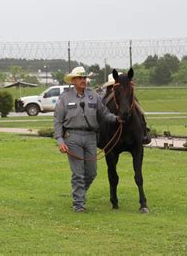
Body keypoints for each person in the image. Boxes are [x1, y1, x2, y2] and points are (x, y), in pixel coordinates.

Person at [54, 66, 123, 212]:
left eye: (84, 78)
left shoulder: (94, 96)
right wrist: (60, 141)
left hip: (91, 137)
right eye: (80, 78)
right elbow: (58, 121)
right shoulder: (65, 98)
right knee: (78, 173)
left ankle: (78, 195)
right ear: (73, 80)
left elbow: (104, 114)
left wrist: (117, 119)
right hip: (72, 137)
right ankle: (79, 204)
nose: (83, 80)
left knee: (92, 172)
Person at [101, 73, 151, 145]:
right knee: (104, 105)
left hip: (125, 94)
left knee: (138, 108)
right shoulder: (110, 92)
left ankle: (144, 131)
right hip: (117, 95)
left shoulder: (125, 87)